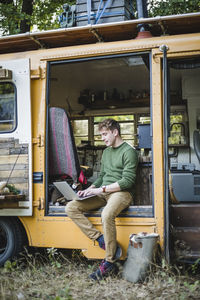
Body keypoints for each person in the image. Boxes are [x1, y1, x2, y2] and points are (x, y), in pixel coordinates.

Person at [65, 118, 138, 280]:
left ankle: (110, 261)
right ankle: (100, 239)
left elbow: (127, 181)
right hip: (102, 192)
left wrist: (101, 189)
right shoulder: (106, 152)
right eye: (101, 135)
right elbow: (103, 176)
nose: (103, 138)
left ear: (115, 132)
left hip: (122, 193)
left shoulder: (129, 152)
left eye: (105, 134)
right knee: (71, 207)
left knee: (106, 214)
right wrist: (89, 190)